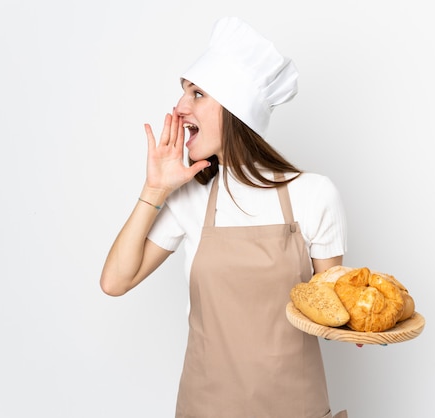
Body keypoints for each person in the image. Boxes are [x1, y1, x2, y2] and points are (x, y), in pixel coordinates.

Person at [100, 16, 348, 418]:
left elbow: (332, 311)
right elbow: (115, 281)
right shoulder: (187, 199)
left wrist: (363, 325)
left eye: (196, 94)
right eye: (182, 92)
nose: (179, 108)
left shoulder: (313, 195)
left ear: (236, 111)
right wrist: (155, 189)